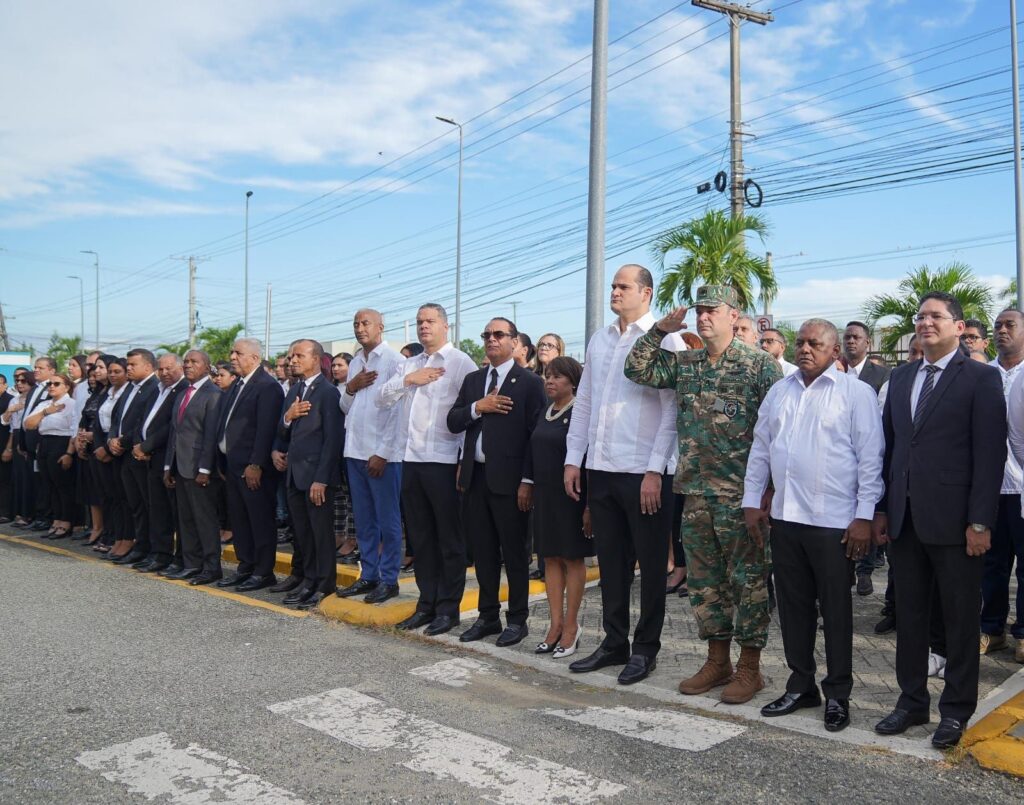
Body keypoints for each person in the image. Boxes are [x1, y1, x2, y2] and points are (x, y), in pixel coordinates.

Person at [627, 285, 782, 703]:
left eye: (712, 310)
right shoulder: (687, 363)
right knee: (705, 584)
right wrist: (660, 330)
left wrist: (768, 490)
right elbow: (636, 369)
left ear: (734, 315)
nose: (703, 317)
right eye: (699, 310)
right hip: (695, 493)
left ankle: (750, 667)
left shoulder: (759, 366)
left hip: (741, 497)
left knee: (748, 583)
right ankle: (718, 661)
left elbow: (778, 432)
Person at [873, 291, 1006, 749]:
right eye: (920, 316)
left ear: (958, 325)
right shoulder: (902, 376)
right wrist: (882, 509)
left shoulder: (981, 378)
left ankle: (955, 710)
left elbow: (990, 455)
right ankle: (911, 702)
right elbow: (891, 449)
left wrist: (980, 522)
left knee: (958, 620)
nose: (925, 322)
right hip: (906, 519)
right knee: (910, 617)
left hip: (957, 523)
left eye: (936, 316)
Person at [743, 319, 883, 732]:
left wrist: (864, 515)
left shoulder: (855, 394)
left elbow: (870, 458)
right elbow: (762, 448)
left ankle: (838, 693)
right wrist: (752, 500)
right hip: (786, 518)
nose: (805, 349)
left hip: (834, 523)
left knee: (836, 612)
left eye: (815, 343)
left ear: (834, 350)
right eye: (801, 342)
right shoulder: (779, 391)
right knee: (793, 609)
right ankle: (801, 684)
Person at [565, 265, 676, 685]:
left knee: (650, 566)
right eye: (612, 285)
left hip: (644, 473)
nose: (614, 291)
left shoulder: (667, 339)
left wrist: (655, 469)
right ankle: (614, 643)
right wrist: (574, 459)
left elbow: (672, 410)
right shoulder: (600, 338)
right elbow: (586, 401)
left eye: (623, 286)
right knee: (611, 565)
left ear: (646, 293)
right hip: (602, 468)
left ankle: (646, 649)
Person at [380, 303, 477, 635]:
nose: (424, 326)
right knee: (420, 539)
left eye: (430, 321)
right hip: (411, 460)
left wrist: (463, 461)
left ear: (445, 326)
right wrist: (410, 379)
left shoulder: (460, 362)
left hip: (444, 461)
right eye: (420, 321)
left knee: (449, 540)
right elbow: (382, 398)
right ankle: (426, 604)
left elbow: (466, 415)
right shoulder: (409, 364)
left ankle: (448, 610)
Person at [449, 317, 546, 646]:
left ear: (514, 341)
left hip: (512, 482)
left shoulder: (529, 382)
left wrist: (528, 480)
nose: (491, 339)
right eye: (486, 335)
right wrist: (479, 407)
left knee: (515, 554)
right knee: (484, 553)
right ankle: (487, 616)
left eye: (499, 334)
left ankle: (517, 619)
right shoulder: (474, 380)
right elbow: (453, 420)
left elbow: (535, 435)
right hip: (475, 479)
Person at [336, 310, 405, 604]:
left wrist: (383, 453)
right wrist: (351, 388)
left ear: (380, 327)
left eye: (366, 323)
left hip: (381, 456)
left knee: (387, 520)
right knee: (364, 520)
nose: (360, 328)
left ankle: (389, 579)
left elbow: (398, 412)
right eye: (356, 324)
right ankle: (369, 575)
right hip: (354, 451)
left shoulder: (395, 361)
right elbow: (345, 407)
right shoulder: (355, 363)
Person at [530, 356, 591, 657]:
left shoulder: (580, 412)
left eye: (557, 376)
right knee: (550, 558)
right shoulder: (545, 411)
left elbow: (587, 459)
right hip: (545, 496)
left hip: (572, 496)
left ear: (573, 381)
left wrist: (589, 505)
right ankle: (554, 625)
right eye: (547, 375)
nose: (550, 381)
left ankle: (571, 626)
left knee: (572, 558)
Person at [274, 339, 343, 609]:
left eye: (299, 356)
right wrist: (288, 417)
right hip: (294, 474)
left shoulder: (328, 392)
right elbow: (283, 431)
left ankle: (324, 585)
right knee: (303, 534)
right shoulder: (295, 390)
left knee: (320, 535)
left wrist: (321, 479)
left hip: (316, 478)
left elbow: (333, 440)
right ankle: (309, 580)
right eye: (291, 356)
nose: (292, 361)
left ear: (316, 359)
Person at [213, 338, 284, 591]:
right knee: (240, 520)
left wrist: (256, 464)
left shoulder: (267, 386)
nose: (232, 357)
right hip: (232, 466)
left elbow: (266, 429)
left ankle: (263, 571)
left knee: (259, 520)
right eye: (232, 352)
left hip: (253, 468)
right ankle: (246, 566)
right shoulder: (237, 384)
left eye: (238, 353)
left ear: (254, 358)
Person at [163, 350, 224, 585]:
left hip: (199, 469)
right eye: (186, 361)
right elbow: (174, 432)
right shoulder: (182, 394)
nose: (188, 365)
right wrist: (168, 465)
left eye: (194, 362)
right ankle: (191, 564)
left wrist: (205, 469)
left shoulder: (214, 394)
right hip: (180, 466)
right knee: (186, 519)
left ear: (207, 367)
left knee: (204, 520)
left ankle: (211, 567)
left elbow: (210, 435)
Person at [990, 309, 1024, 663]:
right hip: (990, 487)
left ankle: (1023, 633)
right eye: (998, 325)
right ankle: (992, 629)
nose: (1002, 330)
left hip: (1023, 487)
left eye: (1009, 325)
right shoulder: (983, 374)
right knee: (992, 563)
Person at [106, 349, 161, 566]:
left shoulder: (154, 388)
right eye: (127, 364)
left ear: (147, 366)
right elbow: (117, 417)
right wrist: (111, 439)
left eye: (132, 365)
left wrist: (122, 441)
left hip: (138, 453)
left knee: (146, 505)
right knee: (133, 504)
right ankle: (138, 545)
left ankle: (148, 549)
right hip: (123, 454)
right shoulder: (130, 387)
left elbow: (144, 422)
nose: (128, 368)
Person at [133, 353, 186, 573]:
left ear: (180, 368)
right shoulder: (157, 390)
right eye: (161, 369)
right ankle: (159, 553)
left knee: (173, 512)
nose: (164, 373)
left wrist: (146, 446)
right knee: (157, 510)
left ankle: (177, 557)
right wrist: (138, 444)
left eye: (169, 368)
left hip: (167, 458)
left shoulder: (183, 390)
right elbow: (143, 420)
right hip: (149, 458)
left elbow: (170, 426)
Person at [23, 373, 78, 538]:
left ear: (66, 387)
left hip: (62, 443)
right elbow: (28, 424)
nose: (52, 387)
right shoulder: (45, 404)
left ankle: (66, 521)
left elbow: (74, 429)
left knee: (63, 485)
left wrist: (69, 453)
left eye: (56, 383)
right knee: (49, 484)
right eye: (50, 384)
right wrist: (46, 412)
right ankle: (57, 519)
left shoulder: (72, 404)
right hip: (44, 443)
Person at [843, 321, 890, 393]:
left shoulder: (882, 374)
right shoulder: (836, 371)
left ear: (867, 343)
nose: (851, 341)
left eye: (856, 337)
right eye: (847, 337)